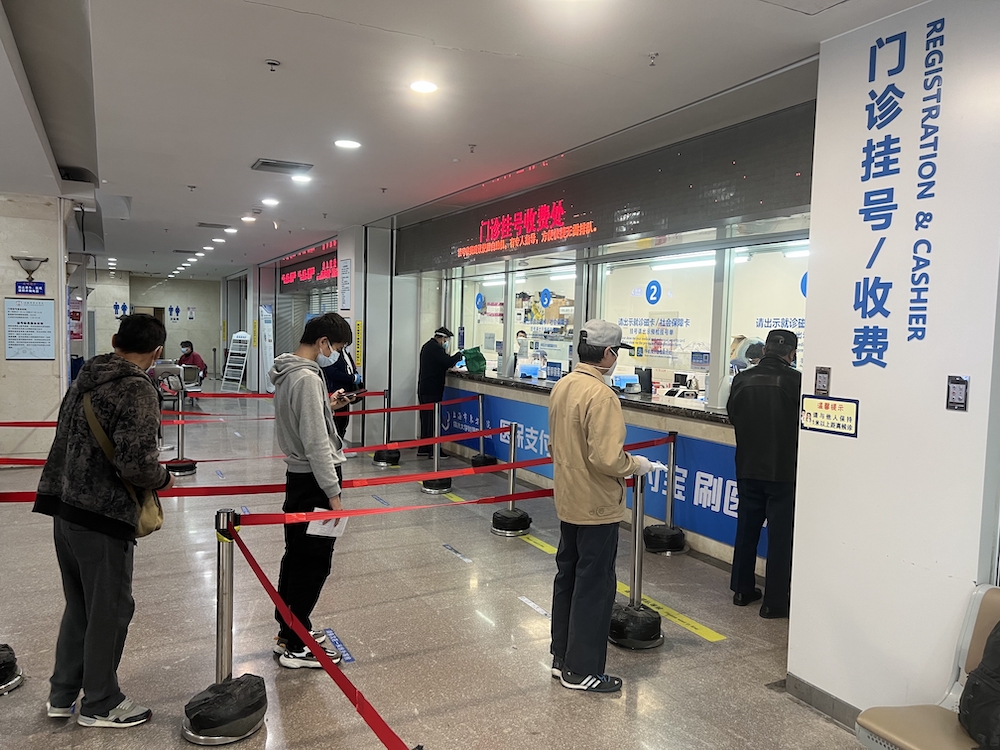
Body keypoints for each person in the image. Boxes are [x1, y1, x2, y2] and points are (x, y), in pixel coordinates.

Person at [34, 314, 174, 728]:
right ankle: (101, 702)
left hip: (64, 507)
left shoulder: (85, 378)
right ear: (157, 352)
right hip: (102, 514)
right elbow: (137, 465)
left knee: (80, 605)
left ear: (114, 340)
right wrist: (165, 477)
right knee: (110, 609)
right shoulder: (137, 387)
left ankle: (62, 695)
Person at [547, 320, 655, 693]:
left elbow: (555, 445)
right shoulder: (601, 395)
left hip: (568, 498)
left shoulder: (563, 385)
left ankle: (562, 658)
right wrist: (637, 465)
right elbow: (607, 458)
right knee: (594, 585)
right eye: (616, 352)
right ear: (608, 353)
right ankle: (582, 670)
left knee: (568, 577)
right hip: (596, 503)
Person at [269, 312, 355, 668]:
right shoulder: (306, 378)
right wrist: (334, 495)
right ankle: (296, 645)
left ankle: (290, 629)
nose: (336, 354)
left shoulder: (289, 372)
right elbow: (317, 444)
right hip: (315, 482)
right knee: (314, 562)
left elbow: (305, 421)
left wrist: (327, 406)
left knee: (297, 557)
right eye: (336, 347)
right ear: (322, 342)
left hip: (300, 479)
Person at [726, 329, 802, 619]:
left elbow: (733, 415)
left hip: (747, 466)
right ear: (791, 353)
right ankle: (774, 602)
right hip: (783, 470)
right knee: (780, 537)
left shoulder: (742, 379)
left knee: (746, 528)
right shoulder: (797, 381)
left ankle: (741, 590)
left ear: (765, 349)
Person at [416, 326, 463, 458]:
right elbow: (448, 362)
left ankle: (424, 448)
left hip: (424, 388)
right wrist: (459, 355)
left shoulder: (427, 346)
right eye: (446, 340)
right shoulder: (435, 349)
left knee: (426, 420)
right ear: (442, 338)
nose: (446, 343)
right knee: (433, 421)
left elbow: (438, 364)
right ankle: (434, 450)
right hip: (432, 390)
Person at [321, 343, 361, 440]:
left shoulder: (345, 352)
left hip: (345, 393)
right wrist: (352, 378)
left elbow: (350, 367)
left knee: (343, 423)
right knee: (334, 424)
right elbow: (332, 372)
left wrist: (355, 376)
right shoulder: (328, 355)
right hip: (334, 393)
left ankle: (340, 443)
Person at [718, 340, 764, 412]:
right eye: (749, 361)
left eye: (754, 362)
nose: (751, 365)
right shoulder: (741, 376)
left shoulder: (745, 377)